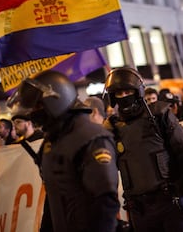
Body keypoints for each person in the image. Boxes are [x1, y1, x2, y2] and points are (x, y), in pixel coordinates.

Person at [7, 70, 119, 232]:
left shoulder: (91, 138)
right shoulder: (52, 140)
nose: (33, 112)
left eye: (38, 105)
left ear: (57, 100)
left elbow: (105, 203)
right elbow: (53, 198)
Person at [103, 67, 183, 232]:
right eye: (118, 94)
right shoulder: (112, 127)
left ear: (137, 92)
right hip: (139, 209)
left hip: (170, 201)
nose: (123, 97)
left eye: (127, 92)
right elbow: (104, 171)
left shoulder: (159, 115)